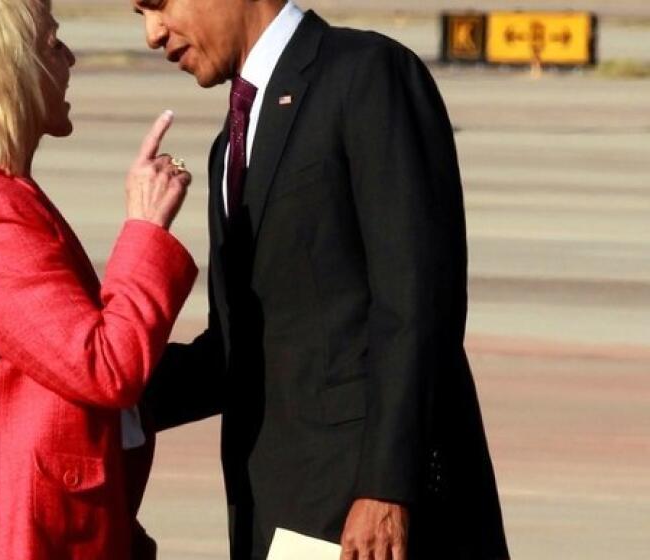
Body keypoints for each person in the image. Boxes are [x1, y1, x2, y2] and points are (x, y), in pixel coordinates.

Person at [133, 1, 510, 559]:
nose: (151, 33)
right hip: (281, 514)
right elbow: (239, 352)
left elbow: (416, 301)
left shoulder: (365, 76)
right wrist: (95, 389)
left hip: (374, 517)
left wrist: (387, 487)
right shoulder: (227, 147)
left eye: (158, 4)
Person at [0, 0, 197, 557]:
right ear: (11, 73)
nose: (69, 57)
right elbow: (106, 366)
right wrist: (146, 227)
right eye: (52, 44)